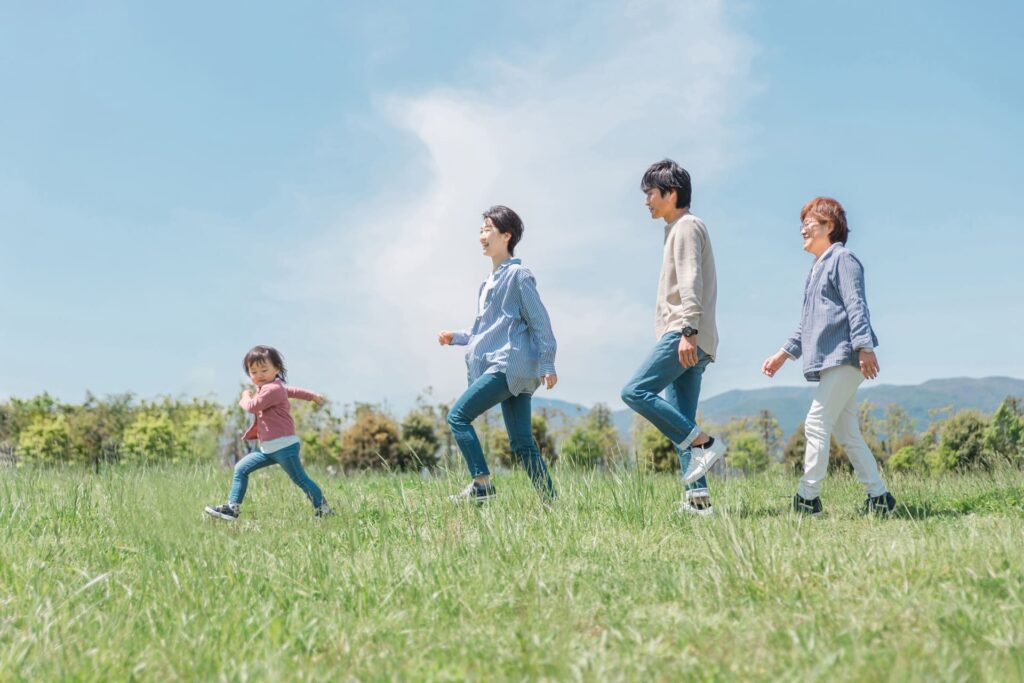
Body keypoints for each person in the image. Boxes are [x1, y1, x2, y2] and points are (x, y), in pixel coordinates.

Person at [762, 197, 896, 516]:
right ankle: (880, 498)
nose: (803, 229)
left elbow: (856, 304)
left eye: (810, 222)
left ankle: (808, 498)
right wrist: (783, 355)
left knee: (816, 422)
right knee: (847, 433)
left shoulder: (843, 259)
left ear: (830, 226)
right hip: (832, 361)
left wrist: (864, 346)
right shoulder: (817, 269)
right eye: (803, 222)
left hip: (845, 356)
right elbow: (807, 322)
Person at [620, 159, 726, 516]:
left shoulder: (686, 226)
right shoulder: (677, 229)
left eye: (650, 192)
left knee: (635, 392)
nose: (646, 200)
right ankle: (699, 502)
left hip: (683, 332)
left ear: (671, 193)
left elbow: (691, 281)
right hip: (690, 334)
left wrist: (687, 332)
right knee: (680, 418)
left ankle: (705, 443)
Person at [438, 205, 558, 503]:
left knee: (458, 416)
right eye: (480, 230)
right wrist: (458, 337)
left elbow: (540, 321)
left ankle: (482, 484)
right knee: (522, 443)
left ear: (506, 235)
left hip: (507, 364)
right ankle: (551, 503)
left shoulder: (518, 275)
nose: (482, 236)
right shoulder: (486, 284)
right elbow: (485, 328)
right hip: (509, 366)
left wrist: (548, 362)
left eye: (488, 229)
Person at [204, 345, 333, 520]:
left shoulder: (272, 389)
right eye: (254, 372)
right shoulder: (274, 388)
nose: (259, 376)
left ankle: (324, 510)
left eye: (264, 370)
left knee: (300, 479)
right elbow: (293, 391)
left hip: (284, 446)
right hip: (267, 449)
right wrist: (313, 396)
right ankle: (232, 509)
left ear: (277, 369)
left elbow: (252, 406)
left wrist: (244, 396)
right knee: (241, 468)